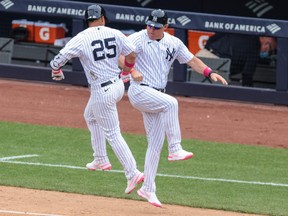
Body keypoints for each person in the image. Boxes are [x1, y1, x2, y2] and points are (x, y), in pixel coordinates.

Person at [121, 9, 228, 207]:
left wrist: (209, 72)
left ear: (166, 27)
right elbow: (121, 57)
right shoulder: (137, 38)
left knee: (154, 144)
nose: (151, 29)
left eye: (156, 27)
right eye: (149, 25)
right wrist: (132, 70)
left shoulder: (174, 42)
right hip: (140, 91)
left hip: (157, 94)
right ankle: (175, 148)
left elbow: (192, 60)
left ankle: (148, 189)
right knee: (172, 103)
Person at [49, 4, 144, 194]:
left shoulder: (82, 37)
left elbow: (59, 58)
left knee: (113, 133)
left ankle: (132, 172)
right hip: (117, 85)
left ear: (87, 21)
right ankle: (100, 158)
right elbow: (132, 54)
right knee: (90, 116)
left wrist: (56, 69)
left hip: (102, 92)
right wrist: (127, 70)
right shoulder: (115, 32)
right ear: (102, 18)